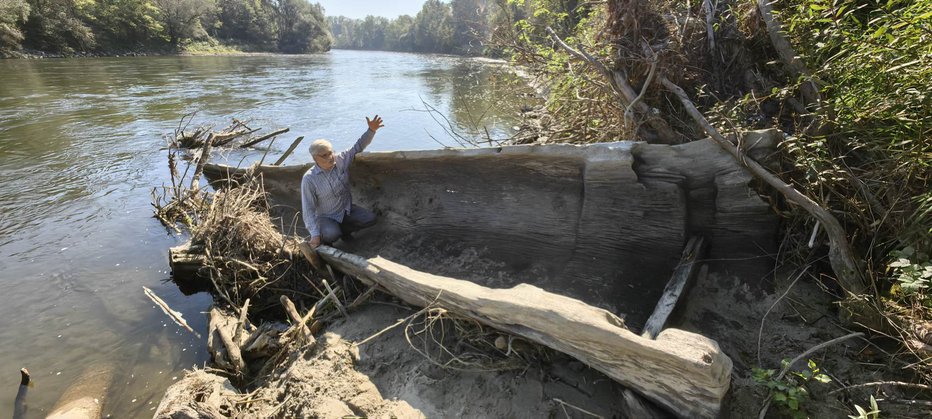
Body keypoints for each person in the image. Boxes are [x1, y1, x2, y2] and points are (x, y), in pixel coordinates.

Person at [301, 115, 384, 248]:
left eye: (331, 152)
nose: (330, 157)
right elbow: (308, 210)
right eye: (325, 155)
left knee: (370, 219)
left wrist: (371, 130)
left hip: (346, 211)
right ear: (315, 158)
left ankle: (344, 231)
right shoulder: (309, 179)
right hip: (326, 217)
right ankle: (327, 240)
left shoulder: (340, 160)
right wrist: (315, 235)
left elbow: (358, 146)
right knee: (331, 234)